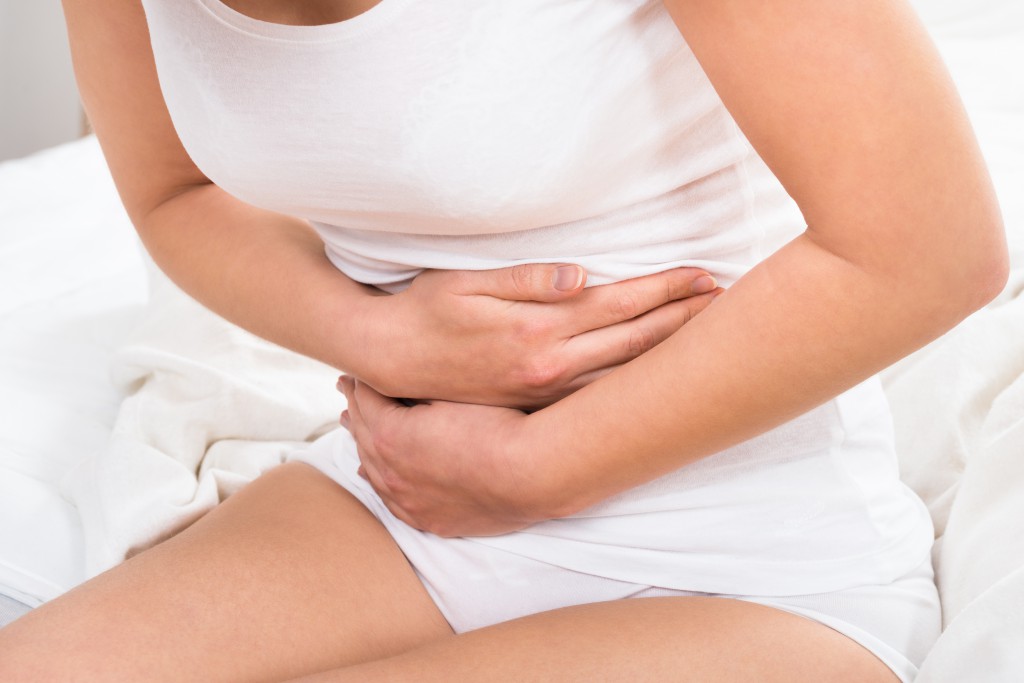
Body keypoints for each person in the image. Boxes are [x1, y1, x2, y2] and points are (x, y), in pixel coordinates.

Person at [0, 0, 1008, 681]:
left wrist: (536, 462)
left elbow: (930, 249)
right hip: (409, 508)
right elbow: (175, 191)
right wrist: (379, 335)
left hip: (755, 552)